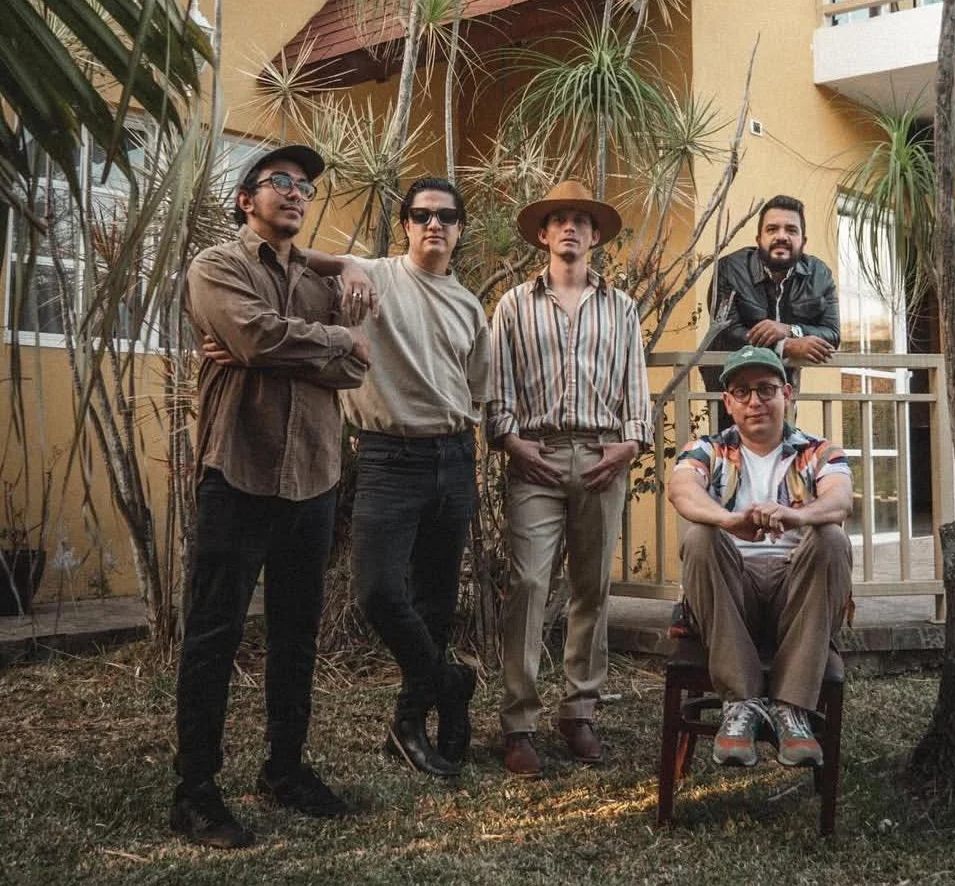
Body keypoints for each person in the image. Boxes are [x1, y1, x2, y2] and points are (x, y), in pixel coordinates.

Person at [173, 144, 370, 849]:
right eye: (278, 181)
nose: (295, 192)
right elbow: (253, 337)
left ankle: (284, 771)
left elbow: (357, 366)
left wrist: (317, 339)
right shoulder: (217, 265)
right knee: (213, 634)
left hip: (312, 475)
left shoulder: (323, 283)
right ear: (244, 199)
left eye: (305, 186)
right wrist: (328, 342)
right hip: (238, 469)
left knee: (295, 635)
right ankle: (194, 790)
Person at [302, 177, 490, 779]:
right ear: (405, 224)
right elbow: (290, 255)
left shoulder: (469, 304)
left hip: (455, 456)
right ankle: (450, 681)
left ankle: (408, 722)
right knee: (379, 591)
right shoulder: (374, 274)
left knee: (435, 601)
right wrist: (351, 263)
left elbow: (478, 390)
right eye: (421, 215)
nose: (434, 225)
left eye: (446, 217)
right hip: (388, 458)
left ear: (460, 230)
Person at [488, 181, 651, 777]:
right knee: (530, 584)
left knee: (591, 588)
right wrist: (509, 439)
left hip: (604, 457)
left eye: (582, 220)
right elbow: (497, 383)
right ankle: (519, 722)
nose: (570, 228)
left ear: (596, 235)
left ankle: (579, 710)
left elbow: (636, 385)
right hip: (537, 456)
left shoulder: (622, 307)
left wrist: (630, 445)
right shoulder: (512, 305)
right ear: (542, 233)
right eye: (559, 219)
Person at [668, 344, 853, 770]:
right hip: (730, 593)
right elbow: (681, 491)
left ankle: (792, 708)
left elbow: (840, 500)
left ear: (787, 394)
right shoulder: (707, 450)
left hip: (796, 592)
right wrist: (729, 521)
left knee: (832, 540)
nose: (755, 401)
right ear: (728, 402)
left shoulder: (819, 451)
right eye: (743, 391)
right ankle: (741, 703)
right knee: (701, 537)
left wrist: (793, 516)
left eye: (766, 389)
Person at [705, 196, 840, 425]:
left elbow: (832, 334)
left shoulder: (819, 274)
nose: (781, 236)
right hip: (733, 391)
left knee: (783, 456)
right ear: (759, 239)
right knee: (732, 457)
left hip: (781, 390)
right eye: (772, 229)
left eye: (791, 230)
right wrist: (786, 347)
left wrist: (790, 330)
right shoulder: (730, 269)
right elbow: (726, 333)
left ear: (803, 240)